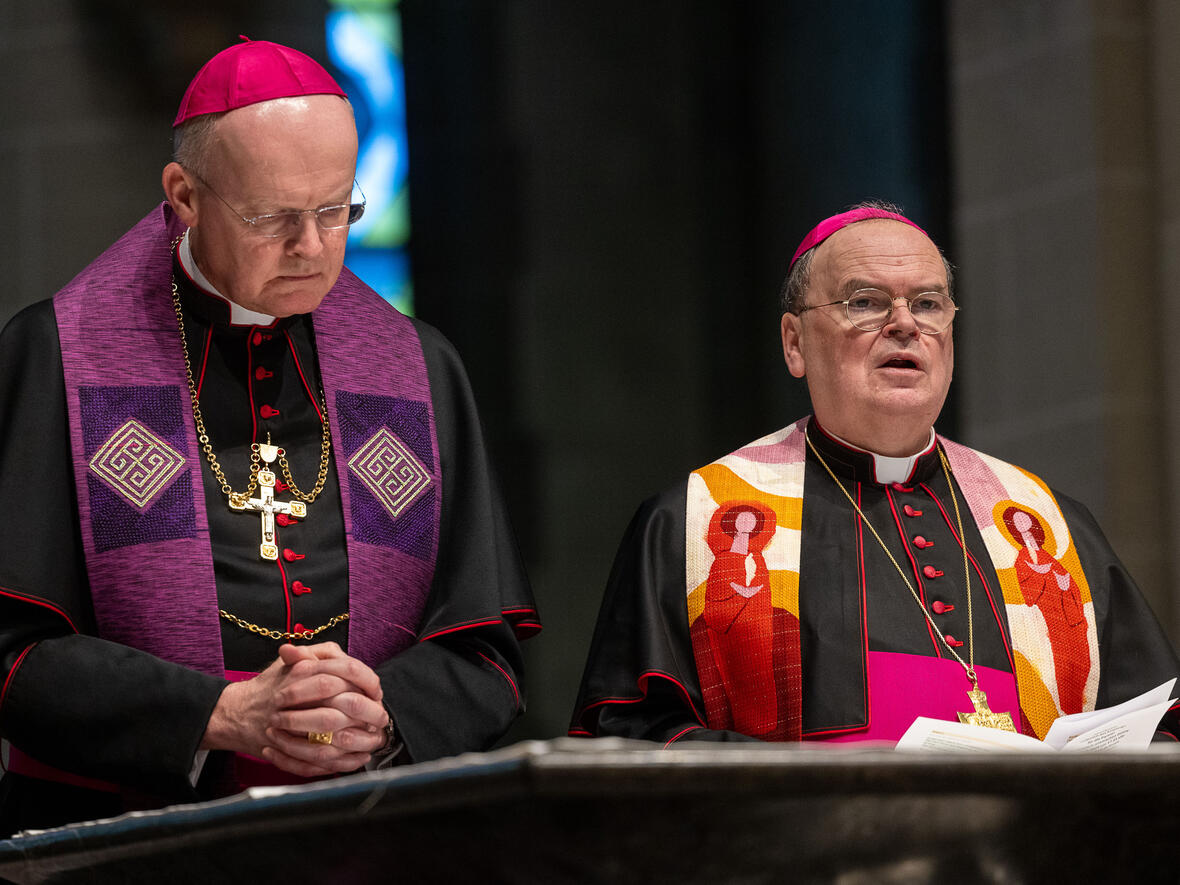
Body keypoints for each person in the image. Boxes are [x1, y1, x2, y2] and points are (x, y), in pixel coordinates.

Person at [0, 38, 539, 835]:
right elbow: (14, 651)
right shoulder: (59, 356)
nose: (313, 248)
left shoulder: (417, 367)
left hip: (368, 837)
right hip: (124, 843)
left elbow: (485, 648)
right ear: (183, 195)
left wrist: (381, 716)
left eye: (335, 211)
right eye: (274, 218)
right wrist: (219, 715)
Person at [570, 203, 1179, 746]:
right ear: (794, 343)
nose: (905, 324)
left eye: (928, 303)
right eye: (864, 302)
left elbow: (1155, 732)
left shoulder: (1053, 524)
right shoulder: (689, 521)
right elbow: (634, 746)